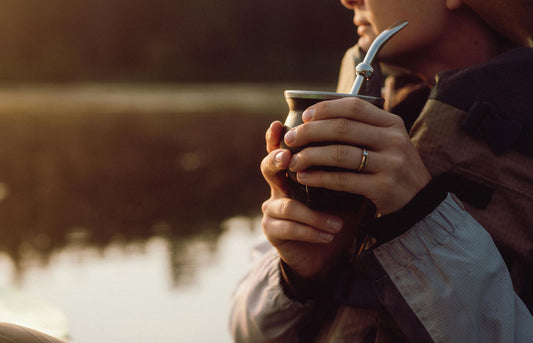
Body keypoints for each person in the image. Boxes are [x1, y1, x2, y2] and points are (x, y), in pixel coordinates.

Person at [229, 0, 533, 342]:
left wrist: (419, 219)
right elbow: (246, 333)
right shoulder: (373, 108)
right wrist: (297, 276)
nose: (348, 0)